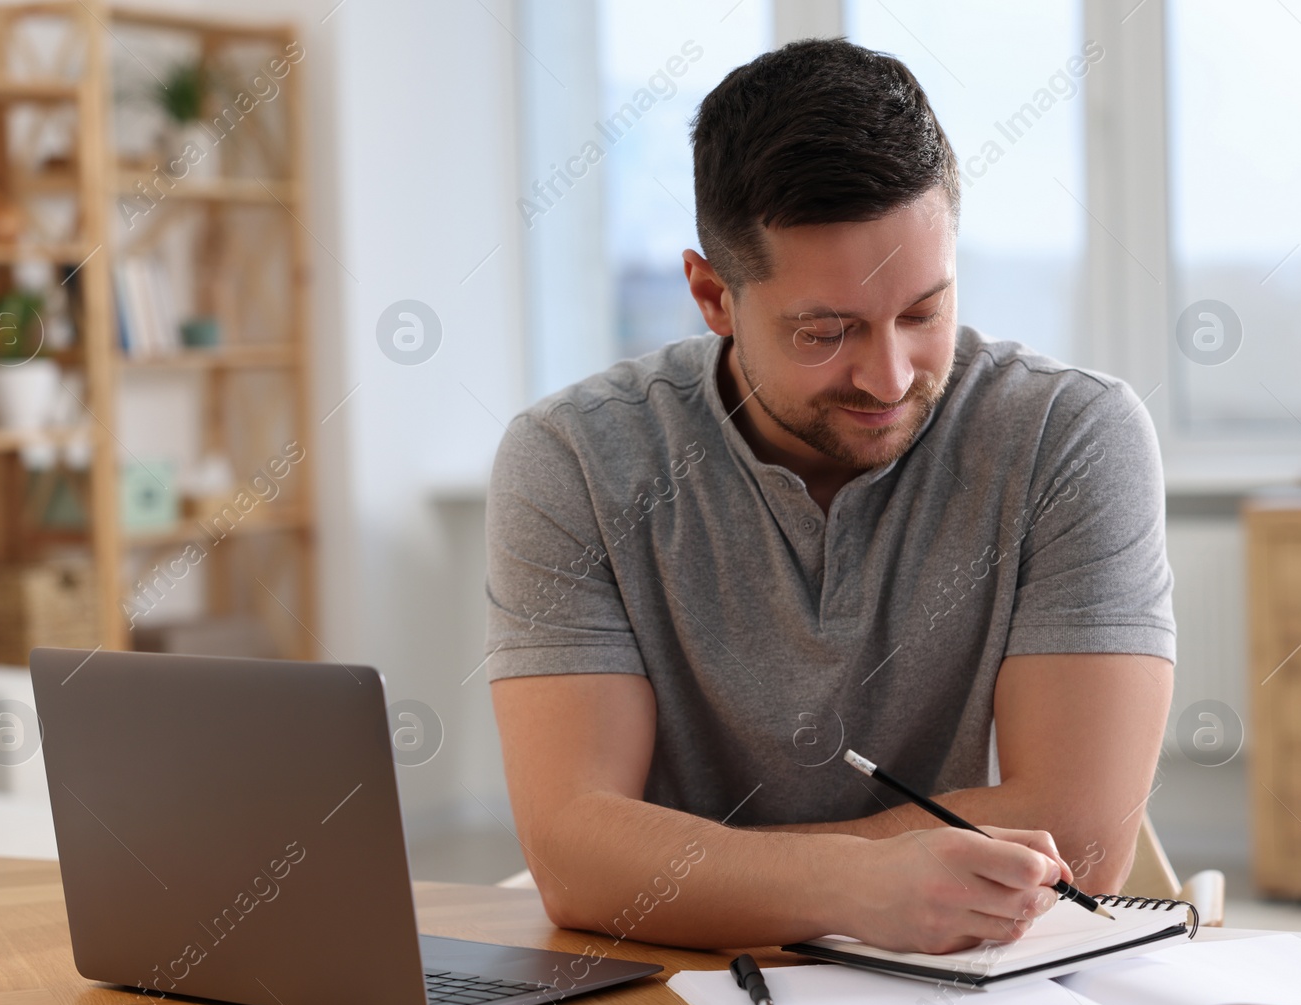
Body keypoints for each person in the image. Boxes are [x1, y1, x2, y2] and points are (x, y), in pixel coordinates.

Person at [483, 39, 1174, 953]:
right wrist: (851, 884)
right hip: (677, 992)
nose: (888, 376)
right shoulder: (571, 457)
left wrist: (688, 869)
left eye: (924, 312)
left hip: (967, 992)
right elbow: (577, 859)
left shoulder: (1072, 436)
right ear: (712, 295)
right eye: (825, 330)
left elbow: (1078, 836)